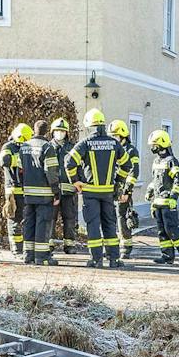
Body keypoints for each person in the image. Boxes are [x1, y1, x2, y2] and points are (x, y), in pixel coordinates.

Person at [65, 108, 134, 268]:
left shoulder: (85, 143)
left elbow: (69, 162)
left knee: (93, 225)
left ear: (89, 125)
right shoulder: (114, 143)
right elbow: (126, 164)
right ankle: (114, 259)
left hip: (90, 193)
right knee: (110, 224)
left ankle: (96, 259)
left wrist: (76, 181)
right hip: (108, 192)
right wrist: (118, 183)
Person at [17, 123, 63, 266]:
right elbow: (51, 172)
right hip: (44, 194)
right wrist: (56, 192)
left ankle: (28, 255)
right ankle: (41, 257)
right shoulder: (47, 147)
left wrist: (23, 187)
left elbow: (19, 170)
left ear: (34, 131)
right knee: (43, 224)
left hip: (28, 194)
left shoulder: (24, 147)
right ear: (47, 132)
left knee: (29, 224)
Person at [146, 129, 179, 265]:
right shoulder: (156, 161)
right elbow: (156, 180)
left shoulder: (171, 161)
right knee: (162, 231)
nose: (152, 148)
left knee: (171, 229)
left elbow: (178, 180)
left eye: (154, 145)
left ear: (161, 144)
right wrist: (150, 190)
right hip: (158, 202)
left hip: (168, 202)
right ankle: (167, 256)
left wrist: (173, 198)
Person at [109, 118, 141, 259]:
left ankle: (126, 248)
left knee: (122, 219)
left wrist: (127, 190)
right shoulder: (112, 149)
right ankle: (111, 247)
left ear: (123, 136)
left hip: (122, 190)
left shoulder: (131, 151)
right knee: (109, 219)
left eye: (116, 136)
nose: (114, 139)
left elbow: (134, 172)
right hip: (110, 188)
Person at [49, 117, 79, 253]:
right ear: (52, 132)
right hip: (52, 191)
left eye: (62, 131)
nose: (60, 133)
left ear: (67, 133)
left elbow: (79, 166)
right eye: (57, 130)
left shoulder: (72, 148)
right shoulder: (48, 147)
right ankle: (48, 244)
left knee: (69, 218)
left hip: (68, 191)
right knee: (50, 218)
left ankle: (70, 245)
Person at [0, 124, 25, 256]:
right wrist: (19, 160)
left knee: (26, 220)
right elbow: (4, 160)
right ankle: (16, 248)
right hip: (13, 189)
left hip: (27, 189)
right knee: (14, 219)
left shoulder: (28, 146)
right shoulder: (8, 147)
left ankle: (24, 247)